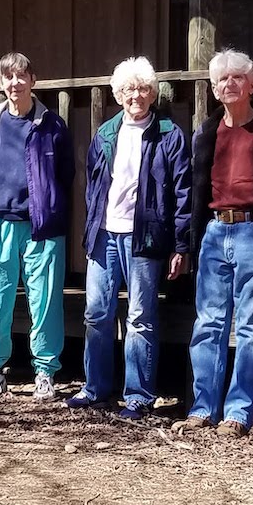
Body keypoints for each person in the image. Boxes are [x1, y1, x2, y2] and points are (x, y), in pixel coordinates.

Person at [70, 57, 191, 420]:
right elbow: (93, 188)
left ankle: (138, 395)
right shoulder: (106, 133)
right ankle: (95, 388)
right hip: (105, 235)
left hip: (145, 239)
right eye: (127, 89)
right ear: (117, 94)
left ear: (152, 93)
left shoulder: (169, 134)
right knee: (96, 314)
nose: (135, 95)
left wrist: (180, 244)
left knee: (140, 317)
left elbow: (182, 193)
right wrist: (92, 230)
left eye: (141, 88)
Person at [184, 49, 253, 438]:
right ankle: (202, 408)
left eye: (237, 77)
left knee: (252, 328)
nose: (229, 84)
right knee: (208, 325)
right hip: (214, 231)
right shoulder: (206, 132)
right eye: (221, 79)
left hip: (252, 233)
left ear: (252, 82)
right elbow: (195, 190)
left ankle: (239, 410)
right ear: (213, 88)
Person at [0, 52, 73, 402]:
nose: (15, 84)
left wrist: (50, 207)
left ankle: (45, 373)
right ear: (1, 83)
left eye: (21, 76)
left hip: (41, 227)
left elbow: (66, 174)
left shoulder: (52, 126)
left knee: (45, 303)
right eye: (8, 78)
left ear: (33, 81)